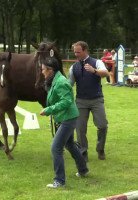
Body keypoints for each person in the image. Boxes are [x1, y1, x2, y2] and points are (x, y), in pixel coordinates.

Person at [40, 56, 89, 189]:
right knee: (70, 145)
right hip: (65, 117)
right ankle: (83, 170)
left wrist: (49, 109)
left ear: (50, 70)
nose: (42, 71)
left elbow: (66, 101)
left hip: (68, 118)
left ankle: (59, 181)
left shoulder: (61, 82)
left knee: (56, 148)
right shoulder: (54, 80)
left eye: (43, 69)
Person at [69, 41, 109, 162]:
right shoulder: (73, 67)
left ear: (85, 50)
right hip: (81, 101)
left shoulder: (97, 62)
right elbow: (69, 84)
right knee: (80, 129)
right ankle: (83, 152)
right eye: (74, 52)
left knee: (102, 126)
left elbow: (106, 73)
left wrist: (94, 71)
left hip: (97, 100)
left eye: (78, 52)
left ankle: (100, 149)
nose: (76, 54)